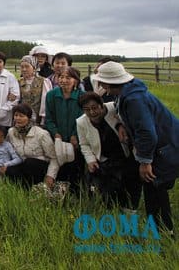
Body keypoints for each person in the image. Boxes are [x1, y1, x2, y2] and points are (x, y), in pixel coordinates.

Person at [93, 61, 179, 232]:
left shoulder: (134, 100)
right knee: (152, 187)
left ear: (110, 82)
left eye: (102, 81)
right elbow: (121, 112)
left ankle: (163, 231)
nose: (101, 85)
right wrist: (121, 125)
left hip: (164, 149)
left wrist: (145, 162)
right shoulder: (126, 93)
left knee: (154, 188)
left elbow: (147, 133)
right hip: (161, 148)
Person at [76, 92, 141, 210]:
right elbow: (84, 144)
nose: (92, 112)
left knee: (130, 183)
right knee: (106, 190)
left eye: (94, 108)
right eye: (87, 110)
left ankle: (130, 208)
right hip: (105, 158)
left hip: (124, 154)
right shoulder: (81, 122)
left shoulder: (113, 108)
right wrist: (90, 160)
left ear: (101, 105)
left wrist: (120, 125)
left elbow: (126, 120)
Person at [45, 66, 84, 188]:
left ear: (76, 81)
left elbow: (83, 119)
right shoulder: (51, 95)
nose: (63, 80)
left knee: (75, 166)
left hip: (77, 139)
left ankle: (76, 191)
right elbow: (49, 119)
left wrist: (75, 135)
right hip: (58, 139)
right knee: (59, 164)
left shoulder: (82, 96)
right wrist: (56, 133)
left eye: (68, 77)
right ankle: (59, 190)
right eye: (61, 77)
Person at [5, 104, 59, 188]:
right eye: (16, 115)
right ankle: (25, 190)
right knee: (10, 170)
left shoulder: (41, 134)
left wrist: (50, 176)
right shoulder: (11, 132)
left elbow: (54, 158)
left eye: (21, 116)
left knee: (29, 162)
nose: (17, 118)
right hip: (23, 165)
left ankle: (37, 187)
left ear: (29, 118)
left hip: (40, 167)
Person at [18, 55, 52, 125]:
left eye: (27, 66)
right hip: (22, 118)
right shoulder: (19, 82)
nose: (24, 69)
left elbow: (45, 101)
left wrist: (43, 119)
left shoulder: (43, 81)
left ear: (34, 68)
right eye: (22, 67)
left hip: (38, 119)